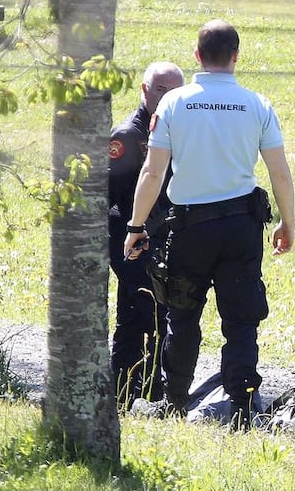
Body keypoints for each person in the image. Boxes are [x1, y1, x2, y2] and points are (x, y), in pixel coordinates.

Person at [124, 19, 295, 431]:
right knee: (240, 321)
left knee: (181, 318)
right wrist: (288, 223)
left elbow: (151, 172)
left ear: (197, 56)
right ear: (236, 56)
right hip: (241, 227)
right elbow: (280, 173)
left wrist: (136, 225)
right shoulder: (257, 104)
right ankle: (241, 406)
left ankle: (176, 403)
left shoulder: (173, 104)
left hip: (189, 228)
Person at [108, 61, 184, 409]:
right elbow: (111, 204)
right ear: (144, 91)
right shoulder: (127, 138)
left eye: (175, 92)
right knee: (137, 318)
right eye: (160, 90)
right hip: (133, 245)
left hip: (167, 245)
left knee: (162, 321)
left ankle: (151, 394)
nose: (168, 97)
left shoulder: (179, 130)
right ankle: (123, 394)